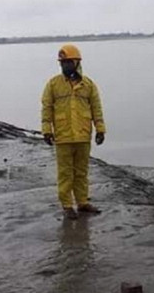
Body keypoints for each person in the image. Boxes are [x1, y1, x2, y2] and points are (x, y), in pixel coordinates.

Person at [41, 44, 106, 220]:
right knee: (65, 173)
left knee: (81, 171)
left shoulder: (88, 85)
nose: (65, 66)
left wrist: (100, 129)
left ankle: (82, 202)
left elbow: (96, 108)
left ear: (77, 63)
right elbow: (47, 108)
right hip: (63, 136)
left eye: (68, 62)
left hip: (83, 135)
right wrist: (47, 130)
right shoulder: (53, 85)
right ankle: (67, 205)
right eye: (62, 63)